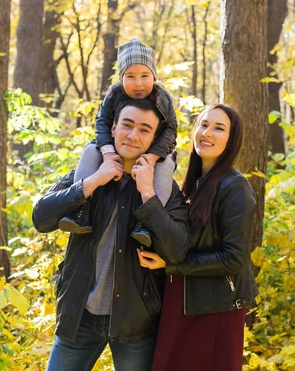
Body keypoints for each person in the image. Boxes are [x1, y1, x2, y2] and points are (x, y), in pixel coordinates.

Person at [32, 98, 190, 371]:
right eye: (127, 126)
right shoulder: (87, 173)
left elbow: (178, 249)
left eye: (144, 130)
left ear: (154, 139)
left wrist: (148, 195)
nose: (133, 135)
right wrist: (92, 182)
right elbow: (41, 218)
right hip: (79, 315)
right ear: (113, 128)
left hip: (136, 322)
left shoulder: (163, 189)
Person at [137, 104, 258, 371]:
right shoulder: (193, 183)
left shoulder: (235, 186)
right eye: (204, 124)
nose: (207, 133)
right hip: (182, 299)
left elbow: (234, 259)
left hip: (215, 307)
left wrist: (171, 266)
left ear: (231, 138)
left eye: (219, 128)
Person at [59, 38, 178, 248]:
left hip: (155, 150)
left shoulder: (163, 98)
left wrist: (153, 156)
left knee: (166, 166)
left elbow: (171, 130)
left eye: (144, 76)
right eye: (130, 76)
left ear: (154, 77)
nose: (138, 83)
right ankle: (80, 210)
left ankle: (146, 223)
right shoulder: (114, 95)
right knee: (89, 151)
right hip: (113, 146)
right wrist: (106, 151)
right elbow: (102, 122)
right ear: (121, 78)